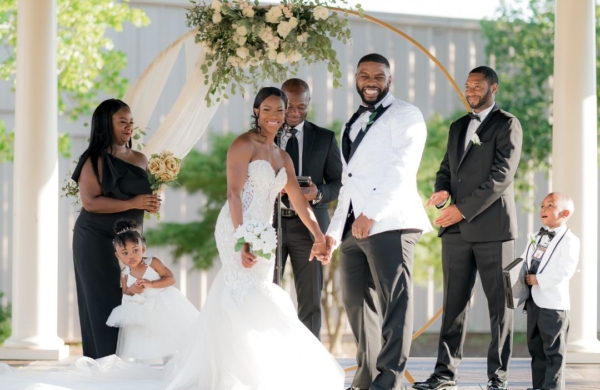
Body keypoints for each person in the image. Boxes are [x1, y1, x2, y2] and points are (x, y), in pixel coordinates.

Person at [162, 87, 344, 390]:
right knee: (241, 292)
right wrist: (241, 238)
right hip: (237, 227)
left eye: (280, 110)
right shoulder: (243, 145)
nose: (275, 116)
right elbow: (233, 194)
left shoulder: (283, 156)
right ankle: (232, 374)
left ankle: (254, 370)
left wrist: (319, 236)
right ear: (256, 111)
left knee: (257, 292)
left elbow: (299, 200)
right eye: (268, 109)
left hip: (265, 233)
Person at [325, 53, 432, 390]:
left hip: (390, 222)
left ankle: (389, 379)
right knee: (357, 303)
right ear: (356, 79)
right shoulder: (351, 123)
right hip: (354, 228)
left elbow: (402, 169)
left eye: (378, 76)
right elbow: (348, 181)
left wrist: (372, 213)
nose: (370, 81)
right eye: (364, 75)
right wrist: (332, 234)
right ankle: (367, 376)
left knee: (394, 302)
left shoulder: (406, 115)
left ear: (390, 80)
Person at [413, 66, 523, 390]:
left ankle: (498, 378)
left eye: (478, 85)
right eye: (467, 86)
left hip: (494, 230)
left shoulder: (507, 124)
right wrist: (442, 190)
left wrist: (461, 210)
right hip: (457, 234)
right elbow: (446, 168)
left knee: (499, 309)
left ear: (494, 88)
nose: (471, 91)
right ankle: (445, 375)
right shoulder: (458, 126)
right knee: (454, 306)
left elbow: (501, 177)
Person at [71, 98, 161, 359]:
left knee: (129, 298)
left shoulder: (140, 159)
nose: (128, 126)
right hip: (95, 239)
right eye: (122, 121)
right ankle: (104, 366)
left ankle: (125, 362)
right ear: (105, 124)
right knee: (103, 301)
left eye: (131, 122)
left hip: (128, 242)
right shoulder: (94, 159)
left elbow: (136, 199)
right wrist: (133, 202)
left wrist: (149, 203)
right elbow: (89, 202)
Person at [274, 78, 343, 338]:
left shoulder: (324, 138)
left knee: (311, 299)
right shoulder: (266, 135)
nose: (294, 112)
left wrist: (319, 193)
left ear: (309, 104)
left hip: (311, 228)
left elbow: (339, 183)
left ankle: (309, 362)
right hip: (270, 224)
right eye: (289, 106)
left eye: (301, 107)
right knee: (266, 293)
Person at [106, 219, 199, 364]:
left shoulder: (152, 262)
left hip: (162, 304)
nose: (131, 256)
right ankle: (143, 365)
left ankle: (171, 363)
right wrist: (132, 289)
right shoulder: (125, 273)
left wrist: (151, 284)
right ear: (118, 255)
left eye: (135, 250)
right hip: (142, 311)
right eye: (125, 253)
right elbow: (125, 293)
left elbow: (170, 278)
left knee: (167, 335)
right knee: (144, 338)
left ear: (143, 249)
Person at [522, 193, 579, 390]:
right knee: (536, 348)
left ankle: (552, 388)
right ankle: (539, 386)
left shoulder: (570, 240)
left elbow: (565, 270)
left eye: (550, 205)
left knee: (553, 351)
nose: (543, 209)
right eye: (542, 205)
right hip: (534, 302)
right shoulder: (537, 237)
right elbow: (526, 259)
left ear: (564, 213)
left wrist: (539, 279)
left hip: (553, 304)